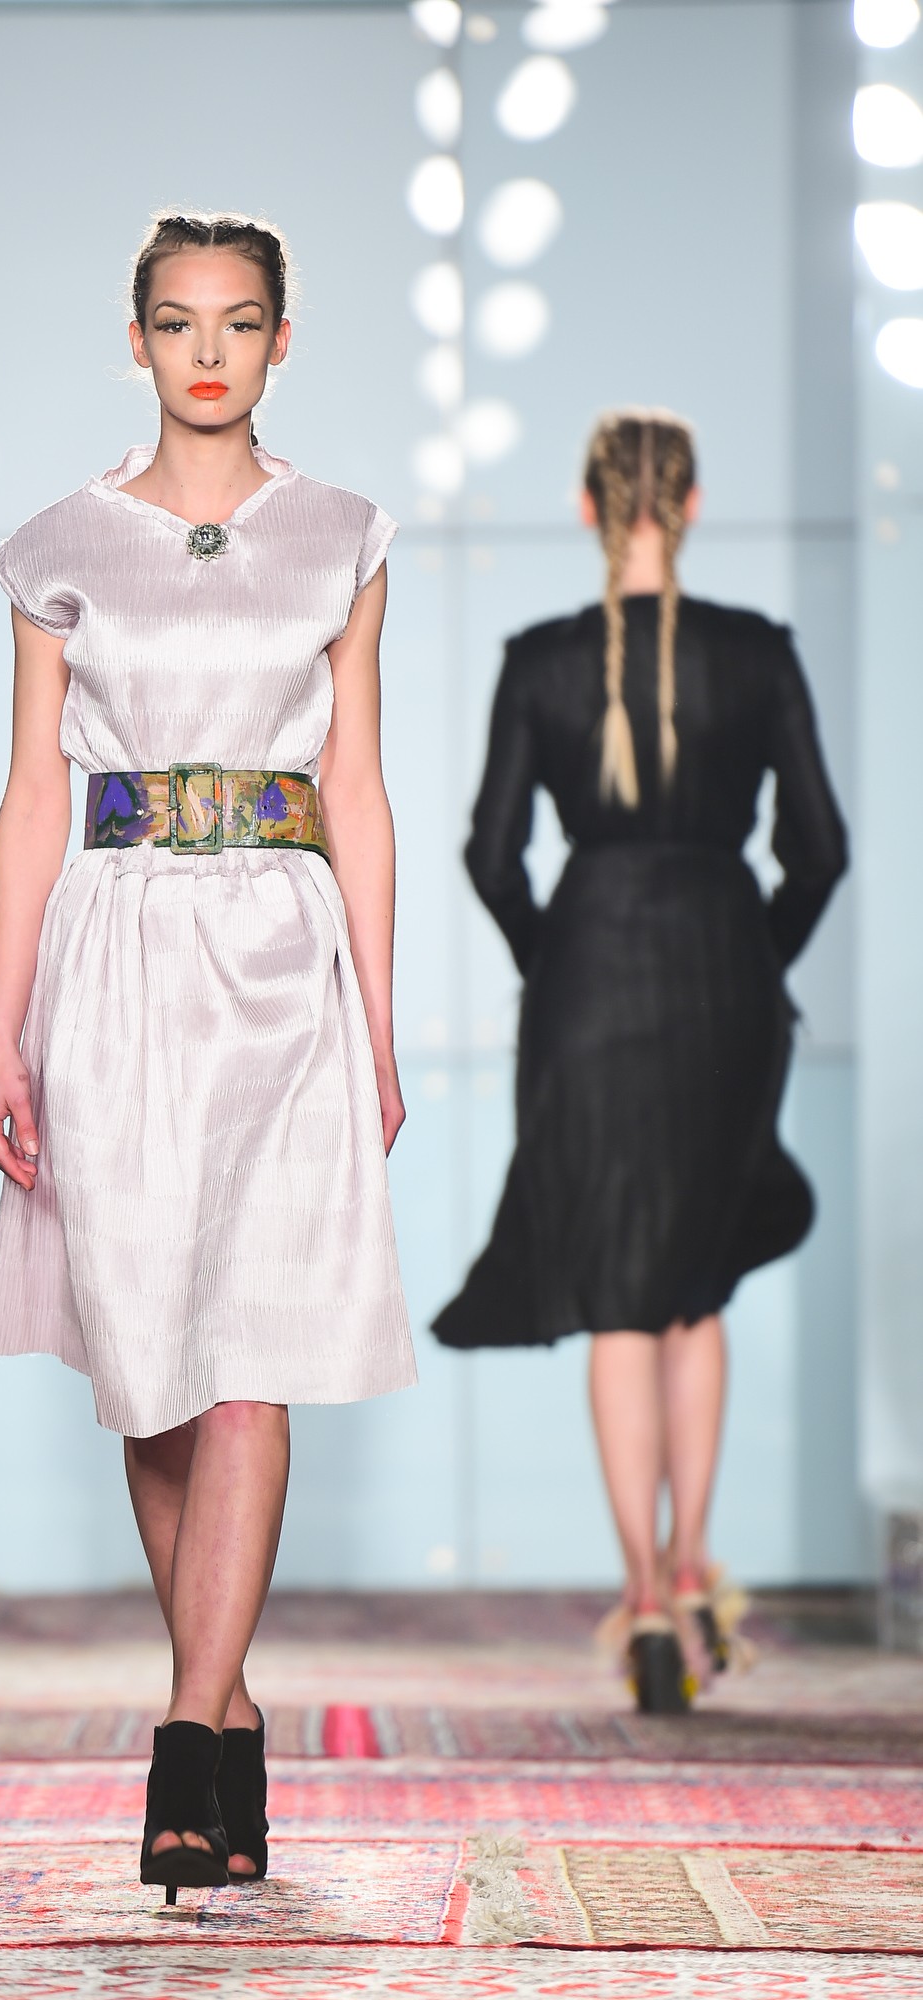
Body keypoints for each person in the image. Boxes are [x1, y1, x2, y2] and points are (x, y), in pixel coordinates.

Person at [0, 212, 415, 1895]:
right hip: (116, 958)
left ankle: (179, 1748)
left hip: (283, 961)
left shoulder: (342, 537)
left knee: (247, 1358)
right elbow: (32, 795)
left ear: (281, 339)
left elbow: (355, 787)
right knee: (147, 1361)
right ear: (138, 341)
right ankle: (226, 1704)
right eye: (177, 321)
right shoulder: (57, 547)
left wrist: (380, 1016)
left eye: (237, 321)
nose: (208, 350)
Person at [433, 409, 847, 1711]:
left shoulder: (540, 661)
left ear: (587, 507)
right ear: (693, 500)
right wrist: (756, 959)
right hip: (724, 972)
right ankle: (687, 1563)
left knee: (619, 1291)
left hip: (588, 977)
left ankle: (646, 1601)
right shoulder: (756, 652)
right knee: (694, 1288)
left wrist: (552, 960)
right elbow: (820, 850)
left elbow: (491, 855)